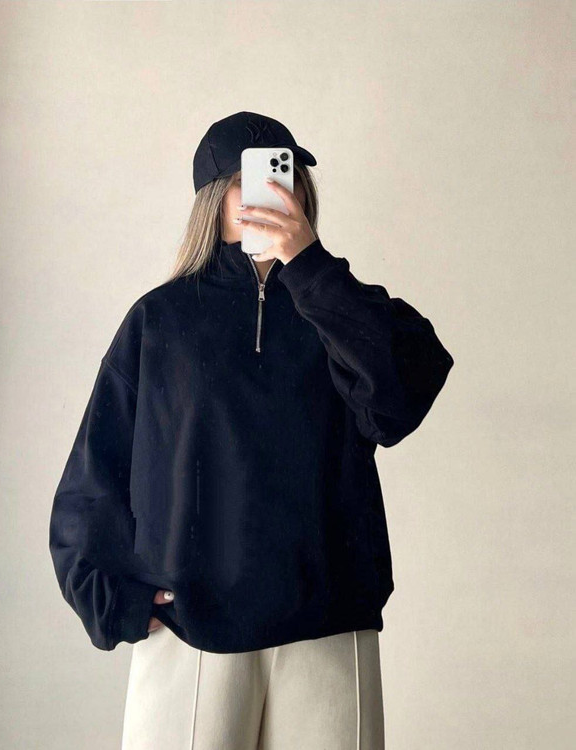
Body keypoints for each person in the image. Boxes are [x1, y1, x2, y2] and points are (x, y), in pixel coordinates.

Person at [49, 111, 454, 749]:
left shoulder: (340, 309)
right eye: (252, 181)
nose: (274, 195)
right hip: (190, 628)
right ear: (213, 201)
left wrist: (309, 266)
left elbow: (399, 402)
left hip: (328, 626)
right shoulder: (159, 320)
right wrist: (113, 599)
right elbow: (95, 470)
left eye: (285, 177)